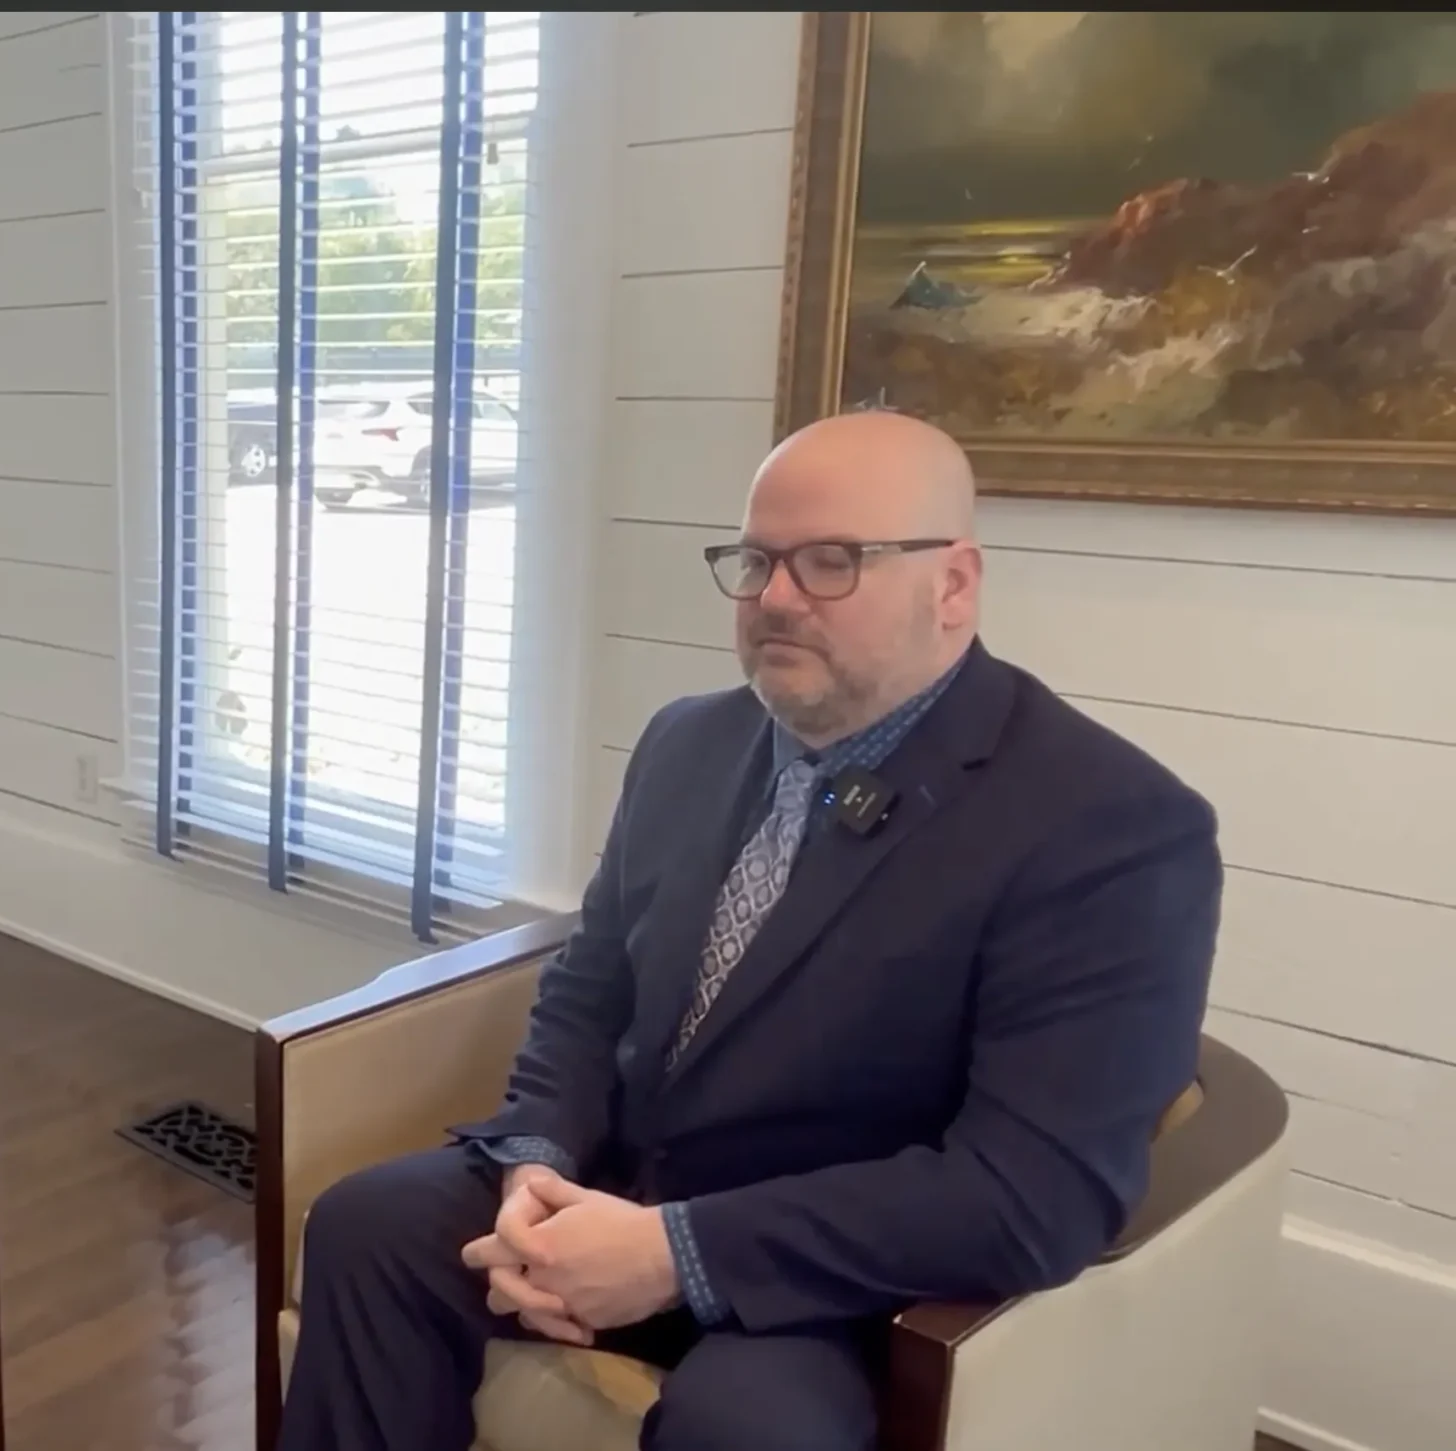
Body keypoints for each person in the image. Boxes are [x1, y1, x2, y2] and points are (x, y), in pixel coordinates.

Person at [278, 411, 1221, 1451]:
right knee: (367, 1225)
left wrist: (672, 1251)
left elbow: (1030, 1196)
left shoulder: (1108, 827)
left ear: (952, 584)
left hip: (833, 1275)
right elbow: (591, 988)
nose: (774, 598)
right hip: (616, 1175)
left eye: (829, 562)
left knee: (749, 1425)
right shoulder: (688, 740)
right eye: (755, 560)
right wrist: (535, 1164)